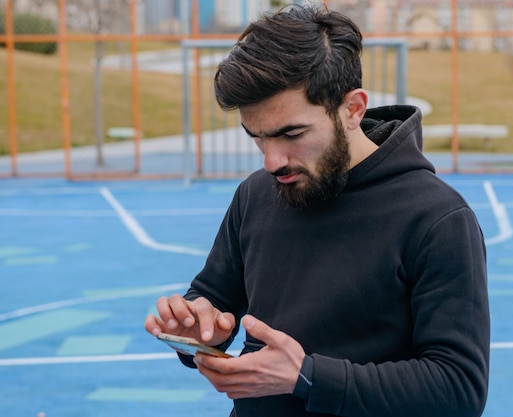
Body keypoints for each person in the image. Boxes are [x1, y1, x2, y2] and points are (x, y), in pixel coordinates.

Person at [144, 4, 490, 417]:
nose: (272, 161)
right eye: (257, 137)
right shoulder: (256, 193)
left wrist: (307, 377)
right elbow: (213, 297)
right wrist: (197, 326)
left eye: (291, 133)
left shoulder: (437, 217)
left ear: (353, 109)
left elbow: (458, 389)